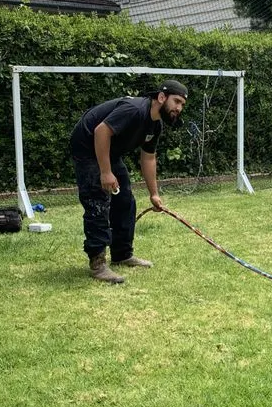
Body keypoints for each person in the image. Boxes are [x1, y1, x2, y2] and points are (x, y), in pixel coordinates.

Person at [69, 80, 188, 283]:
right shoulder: (134, 109)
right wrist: (106, 173)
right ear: (161, 97)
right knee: (98, 202)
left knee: (125, 200)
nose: (178, 108)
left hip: (110, 152)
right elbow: (101, 131)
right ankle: (98, 264)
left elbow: (148, 157)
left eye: (182, 105)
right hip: (87, 147)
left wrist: (154, 194)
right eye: (176, 101)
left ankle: (122, 254)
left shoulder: (155, 124)